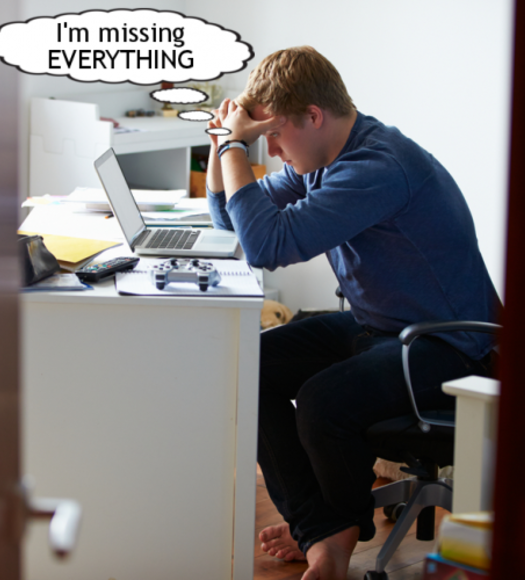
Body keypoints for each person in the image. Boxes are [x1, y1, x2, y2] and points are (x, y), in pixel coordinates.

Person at [205, 46, 501, 580]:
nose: (270, 149)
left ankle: (336, 533)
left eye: (274, 134)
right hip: (384, 328)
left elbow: (267, 245)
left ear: (313, 116)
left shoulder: (377, 166)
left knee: (322, 403)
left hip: (452, 346)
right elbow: (233, 221)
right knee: (248, 363)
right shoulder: (322, 159)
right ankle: (318, 526)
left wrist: (235, 147)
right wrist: (219, 143)